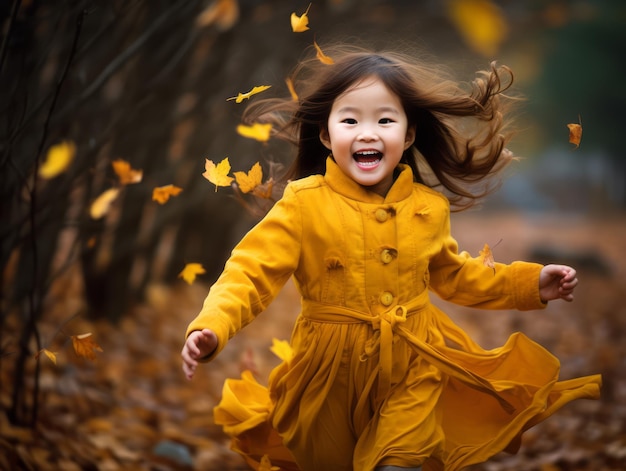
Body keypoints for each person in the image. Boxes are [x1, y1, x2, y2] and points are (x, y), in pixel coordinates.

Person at [181, 45, 601, 471]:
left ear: (409, 134)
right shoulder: (302, 204)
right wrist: (213, 326)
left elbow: (457, 276)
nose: (367, 133)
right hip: (326, 377)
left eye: (385, 120)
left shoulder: (427, 208)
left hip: (412, 364)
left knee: (401, 459)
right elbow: (250, 271)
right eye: (350, 120)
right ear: (326, 136)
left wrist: (530, 284)